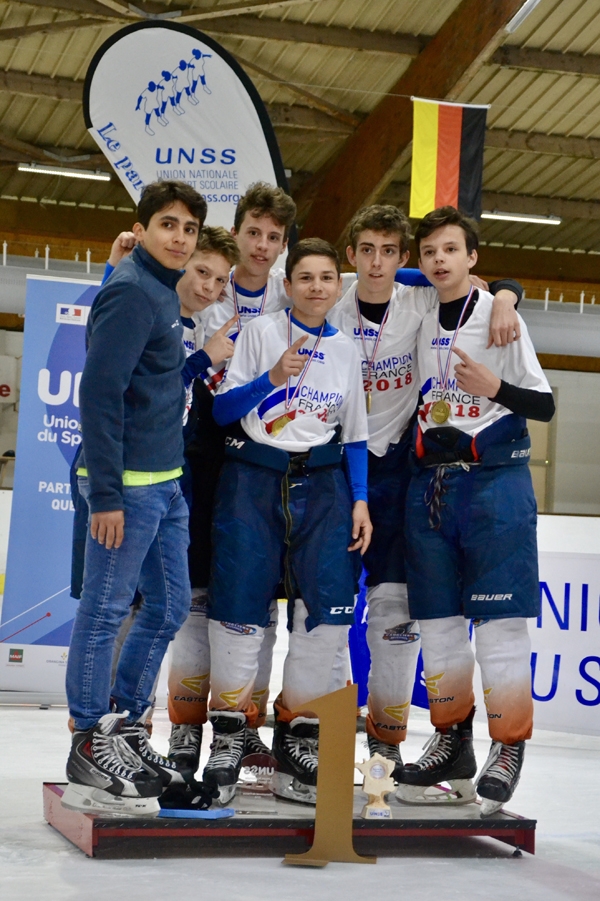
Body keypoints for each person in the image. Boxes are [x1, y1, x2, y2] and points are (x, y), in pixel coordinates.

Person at [329, 205, 524, 771]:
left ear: (402, 258)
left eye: (390, 251)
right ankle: (306, 738)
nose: (377, 261)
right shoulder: (328, 296)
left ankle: (384, 748)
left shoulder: (416, 297)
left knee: (393, 614)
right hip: (331, 470)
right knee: (320, 616)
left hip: (400, 472)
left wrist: (507, 292)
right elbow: (246, 272)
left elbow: (468, 282)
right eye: (367, 250)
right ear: (351, 255)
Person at [396, 206, 554, 815]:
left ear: (472, 259)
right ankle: (452, 740)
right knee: (436, 625)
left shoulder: (497, 315)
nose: (439, 260)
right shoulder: (414, 307)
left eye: (451, 249)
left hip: (493, 484)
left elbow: (541, 405)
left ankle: (507, 745)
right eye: (429, 250)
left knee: (500, 626)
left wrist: (496, 389)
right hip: (430, 485)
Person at [202, 238, 372, 805]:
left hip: (323, 486)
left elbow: (357, 433)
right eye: (305, 277)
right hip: (252, 480)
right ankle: (228, 735)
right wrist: (272, 377)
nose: (317, 287)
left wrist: (360, 499)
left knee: (323, 613)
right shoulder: (259, 332)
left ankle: (299, 738)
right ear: (289, 283)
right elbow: (223, 410)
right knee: (239, 603)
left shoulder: (347, 351)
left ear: (338, 286)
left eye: (327, 278)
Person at [63, 181, 207, 816]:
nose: (179, 237)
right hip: (123, 489)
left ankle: (121, 722)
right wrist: (106, 496)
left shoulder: (160, 291)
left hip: (165, 483)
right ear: (144, 227)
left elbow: (152, 388)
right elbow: (99, 395)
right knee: (103, 611)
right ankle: (88, 739)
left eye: (189, 229)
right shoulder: (130, 292)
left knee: (171, 605)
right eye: (168, 225)